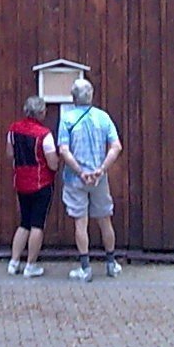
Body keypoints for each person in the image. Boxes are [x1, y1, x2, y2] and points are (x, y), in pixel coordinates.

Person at [57, 77, 122, 281]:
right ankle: (111, 264)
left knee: (80, 222)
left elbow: (64, 150)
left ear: (73, 97)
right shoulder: (103, 118)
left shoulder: (67, 119)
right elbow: (116, 147)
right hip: (99, 179)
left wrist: (80, 171)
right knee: (105, 219)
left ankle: (85, 268)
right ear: (91, 95)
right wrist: (101, 169)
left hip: (76, 179)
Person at [6, 94, 58, 277]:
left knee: (24, 223)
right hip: (40, 183)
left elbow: (10, 154)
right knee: (37, 224)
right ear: (41, 113)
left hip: (20, 181)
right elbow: (53, 164)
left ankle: (13, 262)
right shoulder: (44, 135)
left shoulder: (13, 129)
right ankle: (30, 265)